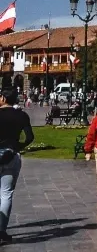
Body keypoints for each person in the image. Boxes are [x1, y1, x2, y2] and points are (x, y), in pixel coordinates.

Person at [0, 89, 34, 245]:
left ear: (3, 98)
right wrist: (18, 146)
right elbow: (30, 137)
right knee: (6, 193)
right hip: (11, 155)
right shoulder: (21, 115)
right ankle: (1, 230)